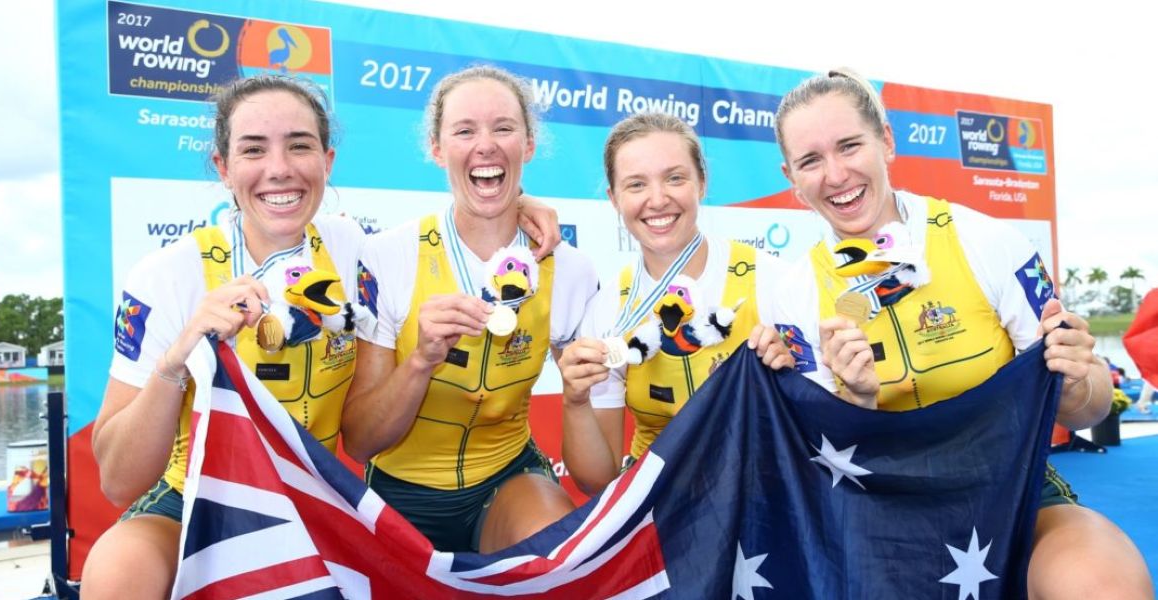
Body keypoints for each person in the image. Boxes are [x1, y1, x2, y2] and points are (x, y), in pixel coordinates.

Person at [81, 74, 562, 598]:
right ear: (223, 168)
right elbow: (118, 480)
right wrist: (177, 360)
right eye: (253, 149)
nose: (279, 169)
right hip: (192, 498)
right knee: (116, 575)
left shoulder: (358, 249)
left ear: (327, 161)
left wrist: (520, 205)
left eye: (299, 145)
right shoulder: (169, 274)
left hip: (314, 506)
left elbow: (467, 216)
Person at [769, 68, 1152, 598]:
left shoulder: (989, 243)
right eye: (811, 160)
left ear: (886, 141)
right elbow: (818, 459)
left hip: (1011, 491)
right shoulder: (791, 295)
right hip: (878, 515)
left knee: (1102, 584)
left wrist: (1078, 380)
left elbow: (1090, 410)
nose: (835, 174)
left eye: (849, 146)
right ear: (791, 176)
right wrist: (856, 400)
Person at [341, 65, 598, 554]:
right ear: (437, 149)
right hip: (400, 492)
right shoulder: (386, 256)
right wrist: (419, 361)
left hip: (508, 482)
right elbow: (359, 442)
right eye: (464, 130)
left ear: (529, 145)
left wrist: (580, 391)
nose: (486, 145)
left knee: (559, 556)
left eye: (503, 128)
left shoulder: (571, 270)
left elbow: (592, 457)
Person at [557, 113, 794, 495]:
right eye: (636, 185)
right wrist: (575, 400)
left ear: (702, 182)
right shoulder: (606, 309)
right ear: (613, 199)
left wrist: (793, 372)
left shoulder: (772, 280)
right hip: (661, 506)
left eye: (675, 178)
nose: (658, 199)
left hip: (760, 496)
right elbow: (596, 479)